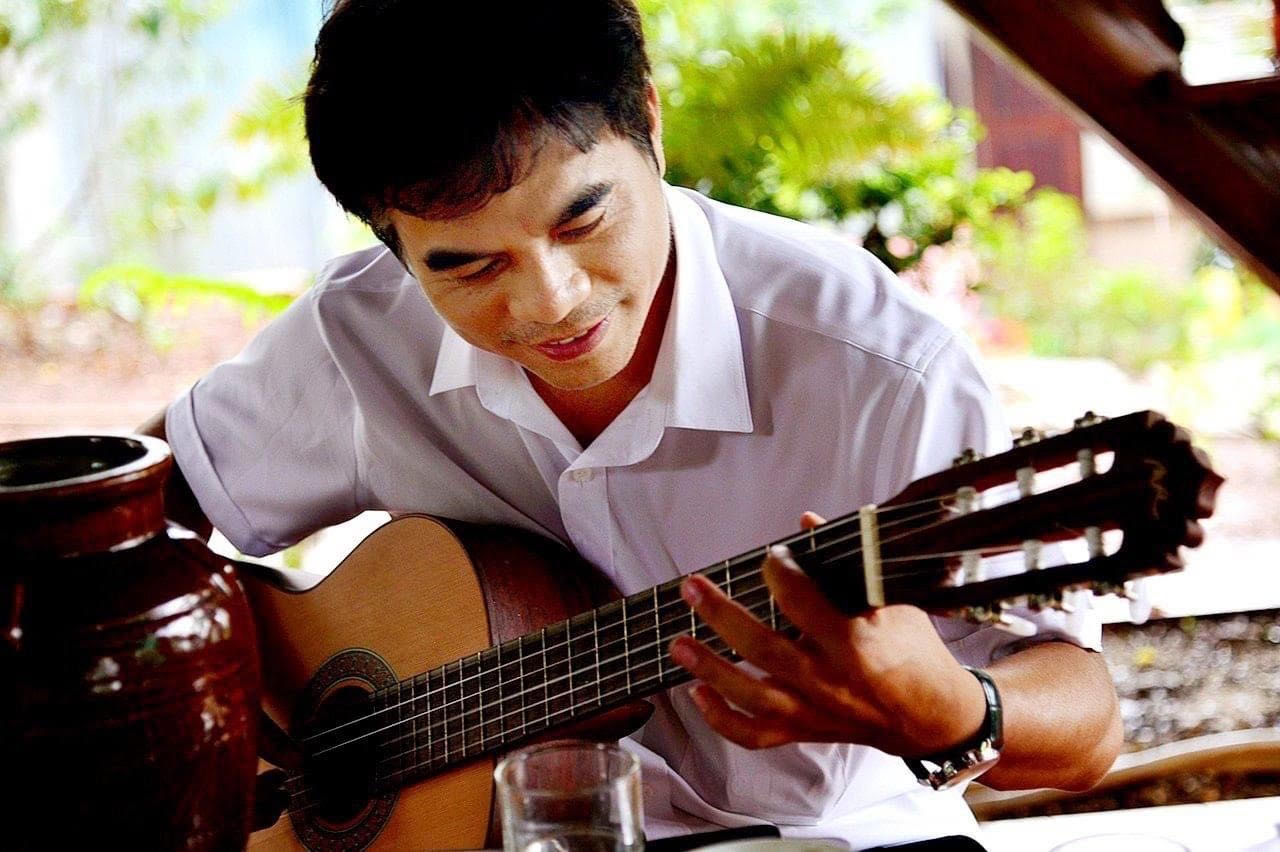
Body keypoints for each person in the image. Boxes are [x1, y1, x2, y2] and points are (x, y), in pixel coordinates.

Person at [140, 1, 1122, 848]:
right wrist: (214, 707)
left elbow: (1085, 724)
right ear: (388, 239)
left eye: (582, 219)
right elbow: (125, 514)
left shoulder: (882, 371)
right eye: (469, 266)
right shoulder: (357, 337)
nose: (551, 300)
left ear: (647, 118)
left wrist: (952, 711)